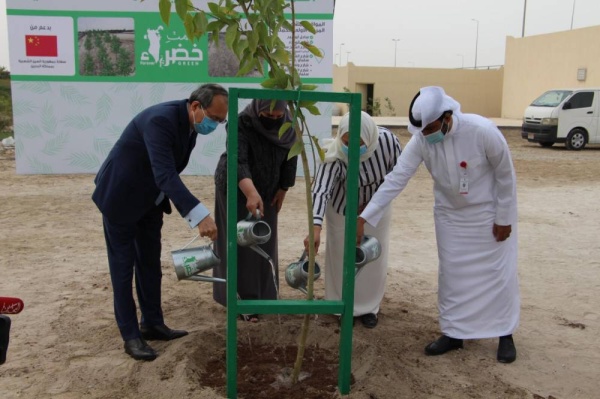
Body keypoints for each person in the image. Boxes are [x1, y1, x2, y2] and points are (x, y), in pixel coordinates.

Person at [357, 86, 520, 362]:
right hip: (450, 217)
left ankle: (505, 333)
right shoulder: (421, 140)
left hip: (487, 216)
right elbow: (397, 177)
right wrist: (364, 217)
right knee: (452, 277)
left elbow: (506, 175)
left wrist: (504, 218)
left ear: (447, 116)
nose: (428, 134)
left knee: (497, 276)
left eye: (432, 127)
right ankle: (454, 333)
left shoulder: (482, 130)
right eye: (423, 130)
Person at [92, 83, 228, 361]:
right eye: (213, 118)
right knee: (122, 269)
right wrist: (199, 215)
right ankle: (131, 336)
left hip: (150, 202)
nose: (214, 125)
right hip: (120, 198)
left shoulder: (188, 126)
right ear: (195, 106)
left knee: (150, 265)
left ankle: (152, 324)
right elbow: (165, 173)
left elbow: (164, 175)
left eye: (220, 121)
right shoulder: (160, 120)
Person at [304, 111, 402, 328]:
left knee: (372, 255)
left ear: (370, 138)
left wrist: (367, 212)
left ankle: (369, 308)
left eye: (359, 144)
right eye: (347, 142)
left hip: (378, 205)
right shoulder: (336, 152)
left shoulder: (387, 142)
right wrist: (316, 227)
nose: (352, 148)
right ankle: (341, 305)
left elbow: (396, 177)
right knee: (341, 256)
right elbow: (321, 189)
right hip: (342, 208)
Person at [212, 99, 298, 321]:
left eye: (278, 117)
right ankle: (241, 301)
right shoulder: (242, 122)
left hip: (269, 189)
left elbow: (292, 155)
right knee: (240, 242)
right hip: (236, 188)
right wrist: (250, 192)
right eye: (268, 117)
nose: (273, 121)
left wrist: (283, 187)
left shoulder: (290, 125)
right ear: (259, 109)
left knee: (264, 239)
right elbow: (237, 160)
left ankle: (265, 296)